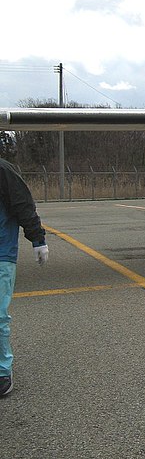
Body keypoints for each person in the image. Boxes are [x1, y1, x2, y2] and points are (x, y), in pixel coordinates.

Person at [1, 158, 48, 397]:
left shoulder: (3, 171)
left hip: (1, 253)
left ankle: (2, 371)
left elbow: (22, 204)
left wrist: (37, 239)